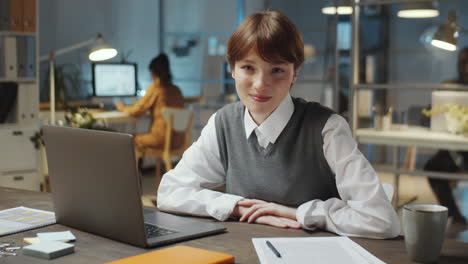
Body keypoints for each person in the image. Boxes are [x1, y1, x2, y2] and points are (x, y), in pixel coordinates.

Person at [157, 10, 400, 239]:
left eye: (277, 70)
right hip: (242, 249)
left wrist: (298, 213)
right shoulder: (223, 123)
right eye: (248, 68)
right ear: (232, 68)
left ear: (295, 73)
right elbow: (169, 192)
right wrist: (236, 206)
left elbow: (381, 219)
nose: (261, 84)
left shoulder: (327, 128)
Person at [425, 47, 468, 225]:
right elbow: (428, 114)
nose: (467, 68)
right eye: (464, 63)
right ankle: (456, 217)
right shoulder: (451, 86)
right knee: (433, 167)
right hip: (453, 148)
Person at [116, 53, 185, 149]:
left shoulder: (156, 88)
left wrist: (122, 107)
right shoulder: (177, 90)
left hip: (161, 140)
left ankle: (130, 164)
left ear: (153, 73)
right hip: (178, 141)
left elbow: (137, 111)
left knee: (128, 138)